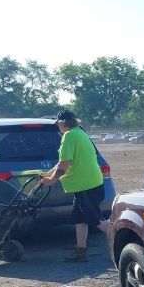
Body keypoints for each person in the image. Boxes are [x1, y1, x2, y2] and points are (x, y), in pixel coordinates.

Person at [39, 109, 112, 261]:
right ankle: (80, 250)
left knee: (95, 219)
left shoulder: (69, 136)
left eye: (58, 123)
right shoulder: (80, 133)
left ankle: (127, 242)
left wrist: (51, 180)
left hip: (85, 186)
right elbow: (62, 161)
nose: (57, 126)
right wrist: (48, 174)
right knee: (80, 218)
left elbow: (65, 163)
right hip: (89, 184)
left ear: (62, 123)